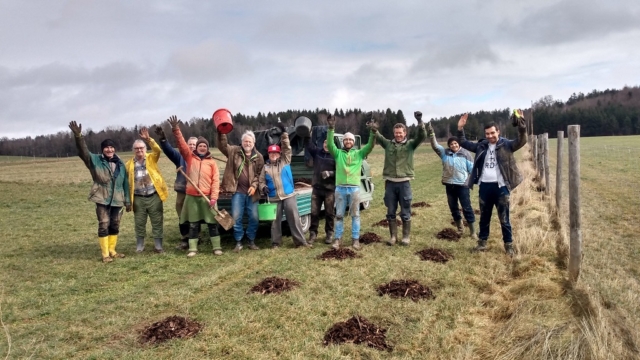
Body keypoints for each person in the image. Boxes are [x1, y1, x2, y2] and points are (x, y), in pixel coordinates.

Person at [457, 110, 527, 256]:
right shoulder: (481, 146)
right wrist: (460, 128)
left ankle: (508, 245)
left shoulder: (507, 145)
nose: (490, 136)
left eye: (492, 133)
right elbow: (463, 143)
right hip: (484, 187)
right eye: (487, 134)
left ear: (498, 132)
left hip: (501, 187)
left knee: (504, 219)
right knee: (484, 217)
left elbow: (522, 140)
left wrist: (521, 125)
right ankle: (482, 243)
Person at [68, 121, 131, 263]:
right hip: (102, 197)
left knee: (115, 223)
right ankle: (105, 254)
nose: (109, 150)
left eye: (111, 147)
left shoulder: (120, 163)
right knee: (104, 223)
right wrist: (79, 137)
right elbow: (83, 152)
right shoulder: (94, 160)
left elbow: (125, 183)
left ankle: (112, 250)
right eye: (106, 148)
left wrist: (127, 201)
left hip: (117, 198)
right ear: (102, 149)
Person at [168, 115, 221, 257]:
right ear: (196, 148)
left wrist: (214, 198)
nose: (202, 148)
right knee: (193, 224)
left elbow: (215, 181)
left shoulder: (212, 163)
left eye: (204, 146)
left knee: (212, 223)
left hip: (207, 197)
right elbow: (182, 145)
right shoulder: (190, 157)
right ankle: (192, 249)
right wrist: (176, 129)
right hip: (191, 197)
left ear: (207, 148)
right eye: (200, 146)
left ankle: (216, 247)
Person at [374, 111, 427, 246]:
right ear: (394, 133)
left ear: (405, 133)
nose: (398, 135)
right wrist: (373, 128)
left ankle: (405, 237)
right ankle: (393, 237)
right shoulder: (388, 144)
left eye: (400, 133)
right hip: (390, 184)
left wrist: (420, 122)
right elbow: (378, 136)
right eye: (396, 132)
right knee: (390, 211)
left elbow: (422, 135)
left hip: (404, 183)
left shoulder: (410, 145)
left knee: (405, 211)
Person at [326, 113, 376, 250]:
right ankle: (338, 239)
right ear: (343, 141)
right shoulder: (338, 154)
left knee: (355, 215)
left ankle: (355, 240)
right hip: (340, 188)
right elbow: (330, 144)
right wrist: (331, 128)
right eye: (346, 140)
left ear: (353, 142)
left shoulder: (359, 154)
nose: (348, 141)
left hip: (354, 189)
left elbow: (371, 145)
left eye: (350, 140)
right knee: (339, 215)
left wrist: (373, 132)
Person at [260, 123, 311, 249]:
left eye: (276, 154)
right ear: (269, 155)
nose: (273, 156)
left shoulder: (285, 161)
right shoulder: (265, 167)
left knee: (294, 218)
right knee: (274, 222)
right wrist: (262, 187)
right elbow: (261, 181)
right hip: (274, 198)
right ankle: (276, 243)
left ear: (279, 154)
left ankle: (300, 242)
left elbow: (287, 148)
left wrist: (284, 134)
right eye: (271, 154)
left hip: (288, 195)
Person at [217, 129, 264, 252]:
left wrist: (254, 186)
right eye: (245, 141)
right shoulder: (233, 151)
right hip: (237, 191)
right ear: (241, 142)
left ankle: (251, 240)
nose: (247, 143)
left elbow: (260, 174)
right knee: (236, 217)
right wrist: (222, 132)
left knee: (254, 217)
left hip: (252, 193)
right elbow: (222, 146)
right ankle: (238, 241)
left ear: (254, 143)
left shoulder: (258, 157)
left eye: (250, 141)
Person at [427, 124, 476, 238]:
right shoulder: (445, 153)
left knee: (466, 207)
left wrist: (468, 182)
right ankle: (460, 228)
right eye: (451, 144)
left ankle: (473, 232)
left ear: (458, 144)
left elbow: (472, 170)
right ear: (449, 145)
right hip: (449, 185)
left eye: (455, 143)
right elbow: (435, 146)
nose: (453, 145)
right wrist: (432, 134)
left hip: (463, 186)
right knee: (453, 207)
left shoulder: (466, 154)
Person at [125, 127, 169, 253]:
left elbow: (157, 150)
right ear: (133, 150)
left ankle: (158, 246)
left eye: (141, 148)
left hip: (154, 196)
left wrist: (149, 140)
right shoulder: (129, 164)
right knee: (139, 222)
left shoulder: (151, 158)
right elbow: (127, 183)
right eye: (137, 148)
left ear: (145, 149)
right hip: (138, 198)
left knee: (157, 221)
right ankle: (140, 246)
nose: (139, 150)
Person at [154, 127, 199, 250]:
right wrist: (163, 140)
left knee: (195, 214)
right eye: (189, 144)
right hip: (183, 190)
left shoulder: (201, 159)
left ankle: (196, 237)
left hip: (196, 192)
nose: (192, 146)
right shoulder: (180, 157)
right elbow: (169, 151)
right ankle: (185, 238)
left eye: (194, 144)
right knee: (182, 215)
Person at [304, 135, 336, 245]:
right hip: (317, 189)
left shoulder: (335, 156)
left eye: (329, 143)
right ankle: (313, 233)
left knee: (329, 213)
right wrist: (307, 134)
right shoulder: (317, 152)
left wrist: (330, 173)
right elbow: (309, 145)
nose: (326, 145)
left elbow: (340, 173)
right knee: (314, 213)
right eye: (325, 142)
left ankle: (329, 233)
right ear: (323, 144)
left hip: (329, 190)